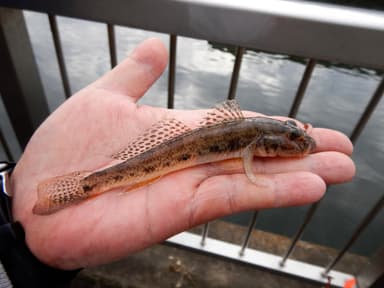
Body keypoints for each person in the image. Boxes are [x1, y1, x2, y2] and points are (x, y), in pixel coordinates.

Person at [0, 38, 355, 287]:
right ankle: (83, 186)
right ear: (263, 145)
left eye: (293, 138)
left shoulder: (258, 136)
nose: (298, 145)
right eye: (291, 141)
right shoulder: (253, 140)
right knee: (111, 178)